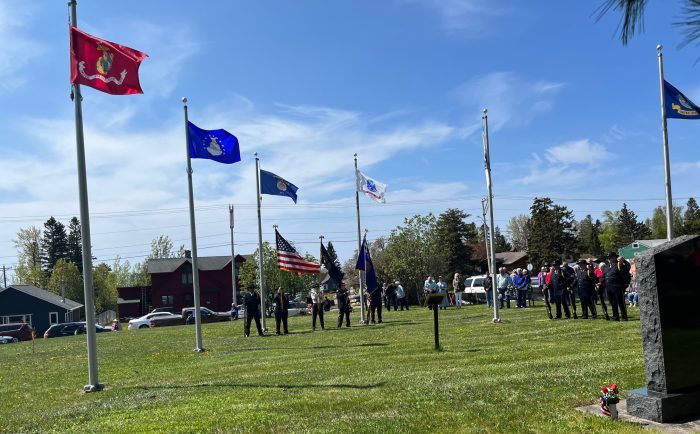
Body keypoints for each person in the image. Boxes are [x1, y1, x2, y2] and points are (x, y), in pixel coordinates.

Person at [604, 252, 630, 321]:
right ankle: (615, 316)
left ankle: (624, 317)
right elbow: (605, 276)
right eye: (608, 258)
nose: (609, 259)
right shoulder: (607, 267)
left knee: (620, 303)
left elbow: (627, 269)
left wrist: (623, 261)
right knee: (613, 303)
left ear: (614, 258)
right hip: (609, 287)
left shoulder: (619, 265)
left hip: (617, 287)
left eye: (610, 258)